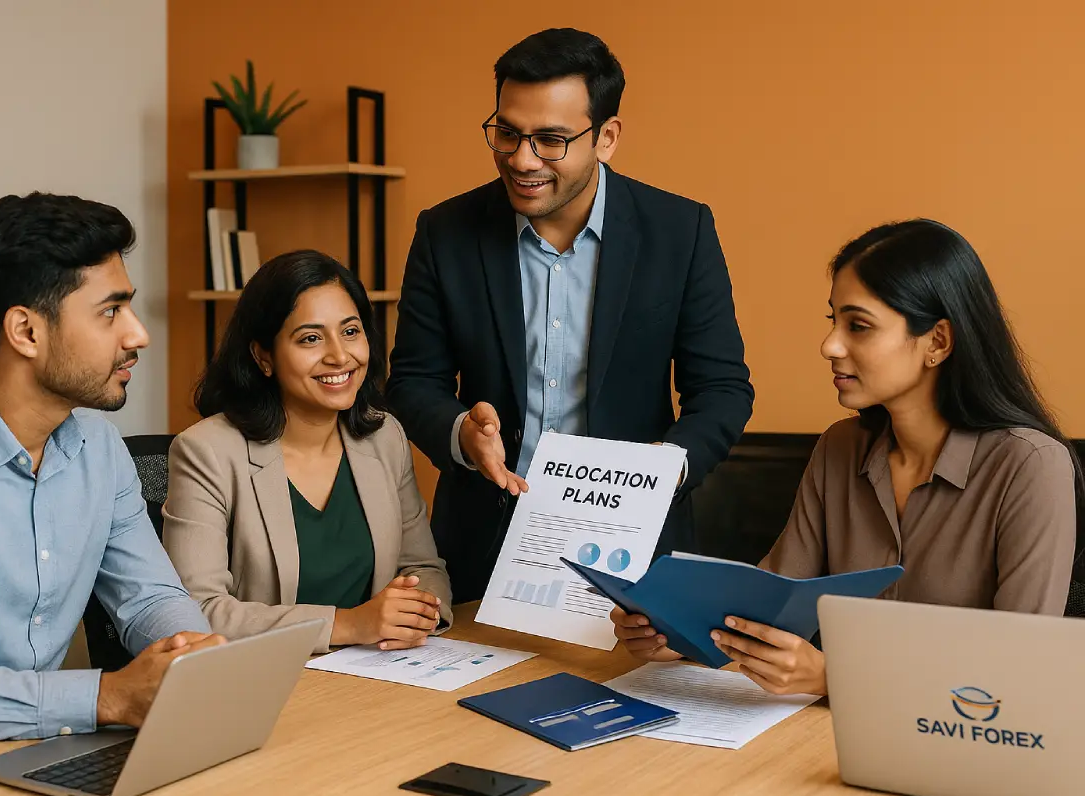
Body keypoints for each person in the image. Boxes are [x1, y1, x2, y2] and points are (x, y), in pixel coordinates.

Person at [613, 218, 1082, 696]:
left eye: (859, 326)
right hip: (820, 738)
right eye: (833, 322)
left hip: (967, 748)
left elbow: (1021, 669)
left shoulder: (1031, 466)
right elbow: (763, 607)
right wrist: (677, 634)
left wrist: (834, 677)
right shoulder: (840, 447)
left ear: (937, 342)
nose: (830, 346)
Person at [386, 28, 754, 601]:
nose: (521, 160)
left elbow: (724, 389)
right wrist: (462, 432)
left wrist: (664, 472)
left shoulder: (680, 232)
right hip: (482, 544)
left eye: (550, 140)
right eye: (506, 133)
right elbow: (412, 382)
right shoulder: (446, 232)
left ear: (606, 137)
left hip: (633, 546)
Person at [0, 193, 223, 746]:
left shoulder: (98, 447)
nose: (138, 334)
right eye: (111, 311)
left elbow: (150, 598)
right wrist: (107, 696)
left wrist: (196, 656)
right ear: (26, 332)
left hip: (36, 751)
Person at [162, 250, 452, 654]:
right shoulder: (206, 452)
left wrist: (414, 613)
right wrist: (349, 624)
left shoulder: (385, 436)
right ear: (263, 356)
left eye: (351, 331)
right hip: (265, 682)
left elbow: (423, 568)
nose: (339, 355)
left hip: (380, 672)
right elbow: (196, 610)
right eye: (311, 339)